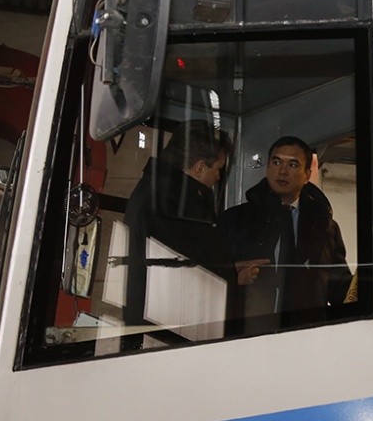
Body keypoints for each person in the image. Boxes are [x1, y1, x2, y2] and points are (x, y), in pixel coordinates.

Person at [219, 136, 352, 333]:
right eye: (276, 162)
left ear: (307, 175)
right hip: (249, 334)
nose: (282, 171)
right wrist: (233, 278)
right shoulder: (235, 220)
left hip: (308, 335)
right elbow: (212, 279)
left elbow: (339, 287)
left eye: (293, 164)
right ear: (267, 168)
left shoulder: (325, 227)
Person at [123, 120, 233, 327]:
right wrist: (226, 273)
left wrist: (230, 270)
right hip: (174, 328)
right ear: (200, 168)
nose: (219, 177)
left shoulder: (157, 191)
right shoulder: (175, 203)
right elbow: (186, 271)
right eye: (218, 168)